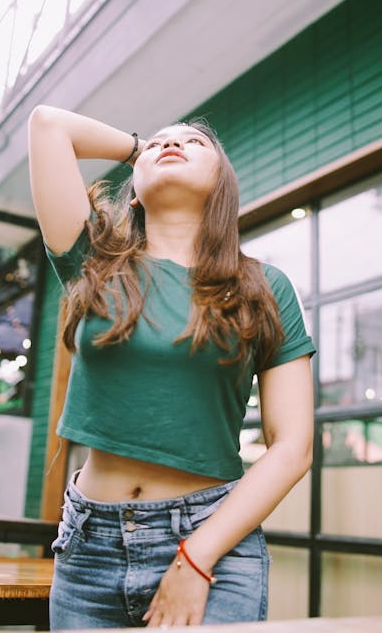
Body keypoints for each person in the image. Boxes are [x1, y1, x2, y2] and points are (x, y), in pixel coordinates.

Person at [27, 106, 316, 629]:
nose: (172, 144)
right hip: (90, 544)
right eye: (159, 142)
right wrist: (145, 150)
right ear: (134, 189)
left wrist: (197, 557)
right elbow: (49, 124)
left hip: (213, 542)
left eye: (195, 144)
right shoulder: (94, 263)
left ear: (221, 187)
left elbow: (292, 447)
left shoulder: (265, 287)